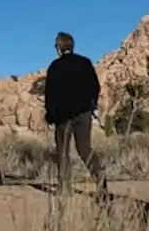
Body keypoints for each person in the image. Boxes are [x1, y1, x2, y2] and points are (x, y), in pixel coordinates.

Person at [43, 31, 107, 195]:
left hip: (63, 117)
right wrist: (91, 105)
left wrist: (50, 114)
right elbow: (95, 87)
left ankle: (64, 188)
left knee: (63, 151)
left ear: (59, 47)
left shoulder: (54, 67)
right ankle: (100, 180)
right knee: (84, 148)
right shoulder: (85, 63)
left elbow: (50, 93)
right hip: (84, 114)